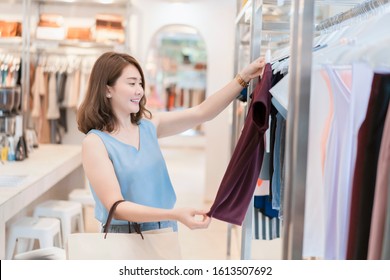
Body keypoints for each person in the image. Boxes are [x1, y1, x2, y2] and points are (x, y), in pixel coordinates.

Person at [77, 51, 265, 234]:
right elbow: (116, 207)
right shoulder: (95, 143)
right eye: (132, 83)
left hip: (164, 229)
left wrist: (244, 76)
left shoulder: (149, 126)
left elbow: (202, 112)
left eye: (140, 83)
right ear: (107, 89)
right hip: (125, 236)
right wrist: (173, 214)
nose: (139, 90)